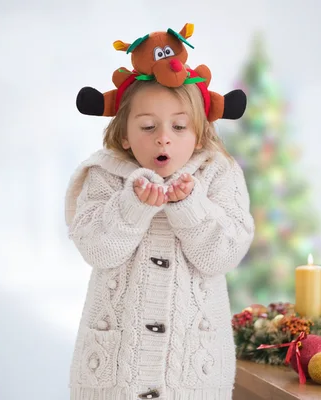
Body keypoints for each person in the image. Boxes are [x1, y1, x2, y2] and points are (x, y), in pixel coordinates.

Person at [64, 23, 255, 399]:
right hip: (116, 369)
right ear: (124, 134)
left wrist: (191, 206)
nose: (163, 137)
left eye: (179, 126)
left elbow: (224, 255)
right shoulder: (105, 175)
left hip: (192, 369)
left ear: (199, 133)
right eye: (148, 126)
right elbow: (96, 249)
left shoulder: (218, 174)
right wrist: (131, 207)